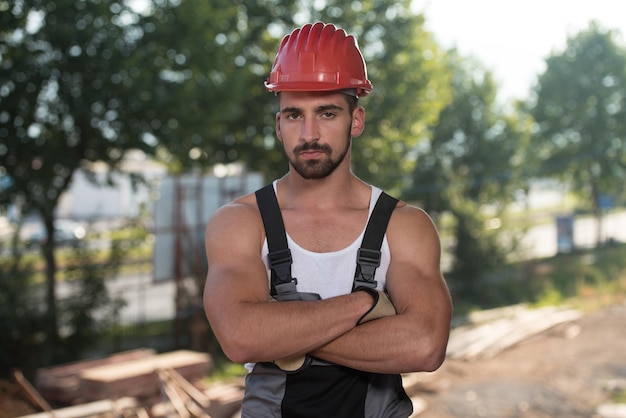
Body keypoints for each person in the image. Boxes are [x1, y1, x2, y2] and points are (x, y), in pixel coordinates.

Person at [203, 21, 452, 417]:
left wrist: (281, 334)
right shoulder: (239, 223)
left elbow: (425, 345)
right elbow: (239, 338)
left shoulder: (403, 226)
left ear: (356, 120)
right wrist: (365, 304)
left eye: (327, 112)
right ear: (278, 126)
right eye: (293, 115)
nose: (310, 133)